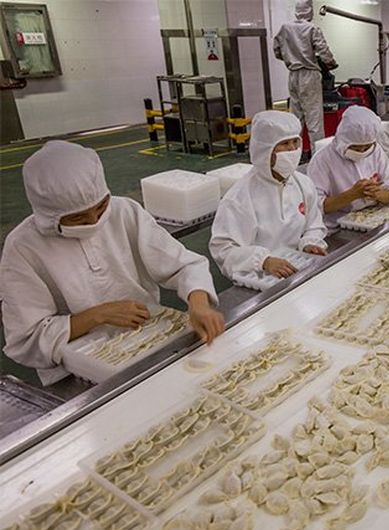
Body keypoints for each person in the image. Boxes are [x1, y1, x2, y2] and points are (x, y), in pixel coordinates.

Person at [0, 141, 225, 385]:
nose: (94, 221)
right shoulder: (23, 248)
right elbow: (28, 340)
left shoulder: (124, 212)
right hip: (79, 373)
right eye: (77, 218)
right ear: (48, 215)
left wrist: (198, 303)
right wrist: (99, 315)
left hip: (151, 340)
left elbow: (184, 265)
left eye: (100, 207)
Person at [210, 111, 328, 281]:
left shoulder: (303, 184)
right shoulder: (240, 198)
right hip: (260, 279)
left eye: (296, 142)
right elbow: (224, 250)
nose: (293, 150)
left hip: (298, 269)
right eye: (284, 144)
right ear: (265, 150)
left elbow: (314, 224)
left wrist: (310, 243)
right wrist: (264, 261)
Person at [308, 105, 389, 229]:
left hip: (374, 220)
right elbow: (315, 207)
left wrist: (380, 194)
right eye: (355, 148)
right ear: (342, 139)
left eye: (367, 147)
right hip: (337, 228)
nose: (362, 151)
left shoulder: (376, 151)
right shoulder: (322, 160)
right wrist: (352, 195)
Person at [273, 0, 337, 155]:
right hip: (309, 75)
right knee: (314, 120)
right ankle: (318, 157)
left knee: (295, 119)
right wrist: (331, 63)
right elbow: (324, 52)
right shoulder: (312, 28)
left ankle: (293, 154)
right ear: (310, 12)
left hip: (293, 75)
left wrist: (291, 59)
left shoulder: (285, 28)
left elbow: (277, 50)